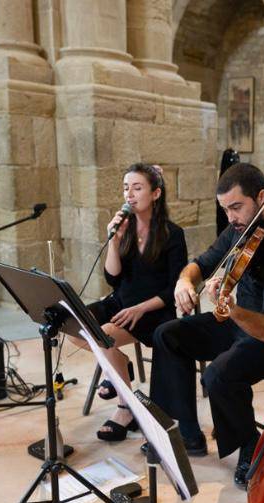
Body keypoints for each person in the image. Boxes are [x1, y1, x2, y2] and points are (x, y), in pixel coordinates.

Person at [146, 162, 264, 487]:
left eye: (236, 207)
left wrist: (233, 309)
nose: (231, 217)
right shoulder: (240, 228)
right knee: (167, 335)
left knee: (218, 376)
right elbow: (203, 262)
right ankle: (187, 431)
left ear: (263, 197)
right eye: (225, 209)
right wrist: (184, 282)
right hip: (241, 323)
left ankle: (250, 447)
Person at [70, 163, 187, 442]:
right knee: (71, 322)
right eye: (126, 188)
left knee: (105, 335)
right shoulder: (124, 228)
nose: (129, 194)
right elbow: (112, 278)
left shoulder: (173, 234)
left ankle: (125, 408)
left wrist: (140, 308)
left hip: (154, 311)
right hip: (121, 302)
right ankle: (120, 364)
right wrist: (114, 240)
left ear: (156, 193)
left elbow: (174, 288)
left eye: (137, 188)